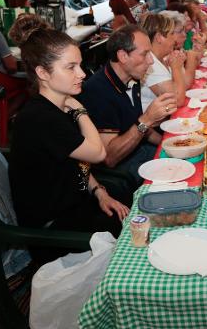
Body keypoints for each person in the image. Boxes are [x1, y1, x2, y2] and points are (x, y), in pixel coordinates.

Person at [7, 14, 129, 263]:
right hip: (54, 230)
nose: (82, 74)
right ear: (43, 72)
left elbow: (76, 161)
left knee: (133, 203)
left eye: (80, 65)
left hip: (75, 203)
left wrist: (99, 192)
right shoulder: (41, 118)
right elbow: (97, 154)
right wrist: (80, 110)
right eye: (71, 67)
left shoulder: (57, 108)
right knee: (135, 233)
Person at [78, 25, 176, 184]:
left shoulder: (133, 78)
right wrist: (146, 120)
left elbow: (141, 128)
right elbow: (109, 158)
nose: (151, 61)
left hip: (139, 151)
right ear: (123, 56)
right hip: (120, 171)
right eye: (145, 54)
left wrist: (170, 144)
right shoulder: (97, 91)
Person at [139, 14, 189, 110]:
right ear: (158, 37)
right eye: (171, 34)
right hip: (148, 124)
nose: (175, 39)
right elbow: (177, 101)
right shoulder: (151, 63)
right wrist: (176, 68)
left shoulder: (162, 58)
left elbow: (184, 85)